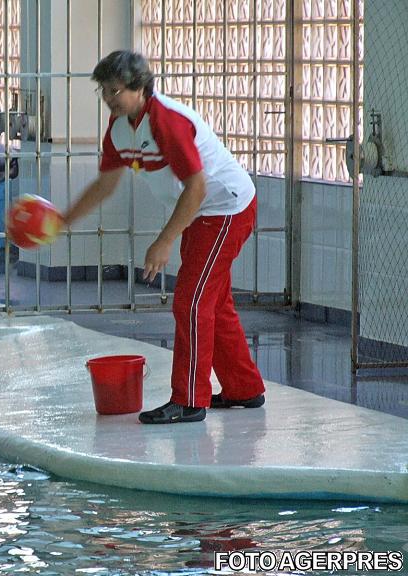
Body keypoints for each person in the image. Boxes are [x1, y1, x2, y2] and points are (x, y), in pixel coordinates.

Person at [62, 50, 265, 424]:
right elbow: (105, 185)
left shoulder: (167, 122)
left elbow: (197, 187)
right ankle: (244, 388)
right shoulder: (120, 127)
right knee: (213, 303)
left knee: (190, 301)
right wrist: (63, 219)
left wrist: (164, 240)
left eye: (115, 90)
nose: (109, 98)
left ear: (140, 88)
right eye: (104, 91)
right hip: (203, 212)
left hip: (225, 207)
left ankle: (189, 400)